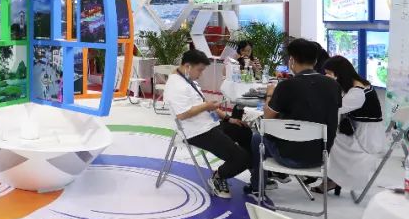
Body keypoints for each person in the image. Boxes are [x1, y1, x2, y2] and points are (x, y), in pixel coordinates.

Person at [250, 38, 343, 203]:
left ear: (292, 60)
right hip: (320, 156)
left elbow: (267, 117)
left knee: (257, 138)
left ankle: (258, 187)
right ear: (316, 61)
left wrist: (270, 93)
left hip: (290, 157)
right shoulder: (333, 85)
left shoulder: (286, 86)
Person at [163, 49, 251, 199]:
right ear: (188, 66)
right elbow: (182, 114)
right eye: (200, 70)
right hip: (197, 132)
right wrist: (206, 106)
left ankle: (255, 173)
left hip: (210, 124)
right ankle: (219, 177)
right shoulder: (176, 85)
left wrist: (229, 119)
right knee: (242, 158)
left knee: (244, 130)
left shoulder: (187, 79)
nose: (201, 74)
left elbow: (204, 104)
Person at [319, 55, 384, 195]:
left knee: (327, 139)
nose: (327, 77)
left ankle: (332, 178)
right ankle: (332, 178)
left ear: (339, 73)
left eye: (329, 74)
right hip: (359, 130)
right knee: (328, 136)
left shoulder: (357, 93)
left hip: (365, 139)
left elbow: (334, 109)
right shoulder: (356, 85)